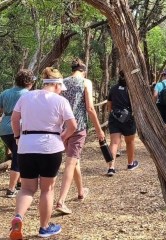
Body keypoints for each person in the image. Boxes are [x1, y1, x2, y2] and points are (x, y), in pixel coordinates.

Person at [9, 67, 77, 239]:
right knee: (47, 189)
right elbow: (73, 126)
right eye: (61, 87)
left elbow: (14, 119)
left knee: (26, 188)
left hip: (26, 146)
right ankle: (44, 227)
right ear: (56, 84)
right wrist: (62, 137)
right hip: (50, 147)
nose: (61, 90)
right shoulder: (60, 101)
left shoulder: (26, 97)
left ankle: (18, 218)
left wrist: (18, 137)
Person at [55, 58, 105, 214]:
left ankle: (81, 191)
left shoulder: (62, 82)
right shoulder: (85, 82)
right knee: (70, 162)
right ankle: (61, 201)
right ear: (84, 70)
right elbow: (90, 108)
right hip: (78, 127)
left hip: (63, 127)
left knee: (74, 160)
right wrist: (99, 130)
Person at [0, 69, 36, 198]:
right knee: (17, 157)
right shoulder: (28, 94)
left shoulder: (5, 93)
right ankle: (11, 189)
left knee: (18, 154)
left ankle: (19, 182)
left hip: (4, 129)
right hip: (19, 128)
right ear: (29, 82)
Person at [106, 71, 138, 176]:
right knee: (130, 141)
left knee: (114, 143)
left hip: (115, 118)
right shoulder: (132, 90)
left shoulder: (113, 89)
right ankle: (130, 164)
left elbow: (109, 105)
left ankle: (111, 168)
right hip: (128, 119)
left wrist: (113, 114)